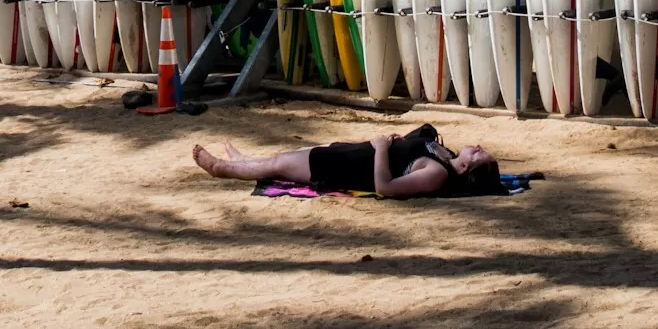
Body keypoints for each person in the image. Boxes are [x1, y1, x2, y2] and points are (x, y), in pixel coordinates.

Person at [192, 124, 502, 198]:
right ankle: (245, 160)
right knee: (281, 159)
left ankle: (222, 169)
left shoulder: (437, 173)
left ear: (468, 168)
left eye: (478, 153)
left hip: (349, 168)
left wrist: (381, 148)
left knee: (278, 165)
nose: (475, 146)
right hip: (353, 152)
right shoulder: (444, 155)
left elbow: (386, 187)